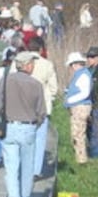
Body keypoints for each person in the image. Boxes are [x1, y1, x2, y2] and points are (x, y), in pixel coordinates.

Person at [0, 51, 46, 197]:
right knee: (27, 167)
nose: (34, 66)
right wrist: (35, 124)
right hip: (28, 128)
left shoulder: (5, 80)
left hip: (9, 127)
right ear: (27, 65)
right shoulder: (36, 84)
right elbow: (42, 112)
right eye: (33, 63)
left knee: (11, 167)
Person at [26, 37, 58, 179]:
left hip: (25, 105)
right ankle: (36, 170)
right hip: (42, 106)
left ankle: (25, 167)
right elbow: (53, 87)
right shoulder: (47, 64)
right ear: (41, 49)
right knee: (40, 139)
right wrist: (51, 98)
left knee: (26, 138)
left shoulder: (21, 63)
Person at [63, 52, 93, 164]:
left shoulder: (83, 75)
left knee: (78, 133)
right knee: (77, 132)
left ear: (75, 64)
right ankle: (80, 157)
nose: (71, 69)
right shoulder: (81, 75)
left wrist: (70, 100)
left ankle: (81, 160)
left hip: (80, 106)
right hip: (79, 106)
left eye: (71, 66)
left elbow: (84, 93)